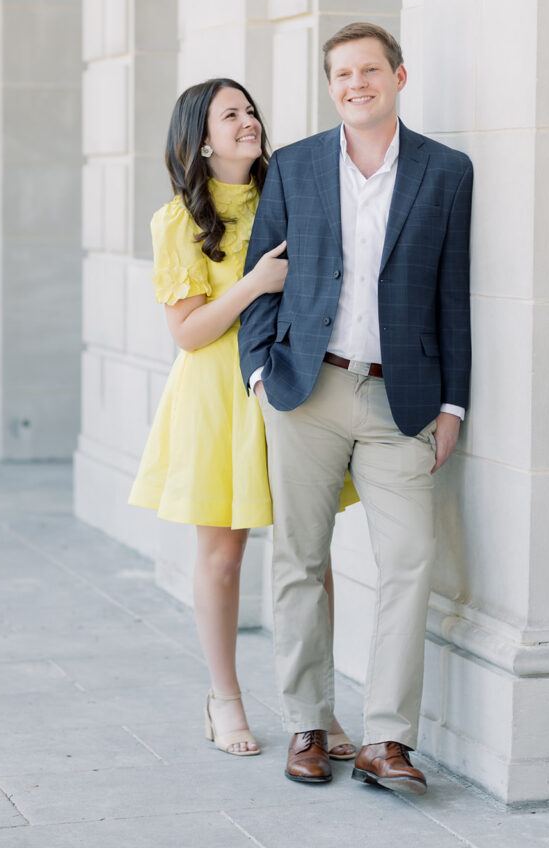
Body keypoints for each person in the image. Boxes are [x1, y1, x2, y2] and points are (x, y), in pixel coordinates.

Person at [238, 23, 473, 794]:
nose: (355, 84)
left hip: (401, 397)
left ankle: (387, 742)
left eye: (369, 69)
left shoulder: (446, 171)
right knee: (299, 558)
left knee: (410, 562)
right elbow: (262, 273)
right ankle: (308, 723)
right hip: (305, 389)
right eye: (341, 74)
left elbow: (453, 294)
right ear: (330, 86)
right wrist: (259, 376)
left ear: (399, 76)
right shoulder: (297, 167)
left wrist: (452, 404)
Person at [129, 78, 356, 759]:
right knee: (223, 556)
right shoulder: (176, 222)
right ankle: (223, 696)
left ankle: (317, 707)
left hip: (291, 390)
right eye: (232, 114)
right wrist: (255, 282)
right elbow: (190, 333)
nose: (249, 121)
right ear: (201, 136)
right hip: (215, 398)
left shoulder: (289, 193)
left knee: (310, 556)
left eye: (252, 110)